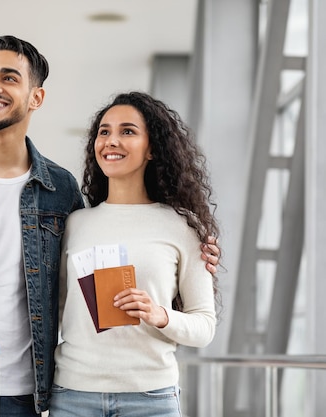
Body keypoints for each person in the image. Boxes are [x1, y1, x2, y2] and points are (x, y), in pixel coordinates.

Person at [0, 36, 220, 417]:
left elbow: (103, 257)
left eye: (9, 78)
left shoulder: (60, 192)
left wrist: (194, 261)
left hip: (18, 396)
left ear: (36, 98)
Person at [50, 91, 222, 417]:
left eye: (127, 131)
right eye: (104, 131)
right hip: (73, 396)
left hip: (151, 399)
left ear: (152, 149)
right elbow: (56, 313)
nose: (112, 141)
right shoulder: (75, 224)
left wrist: (161, 315)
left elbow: (204, 327)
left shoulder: (184, 227)